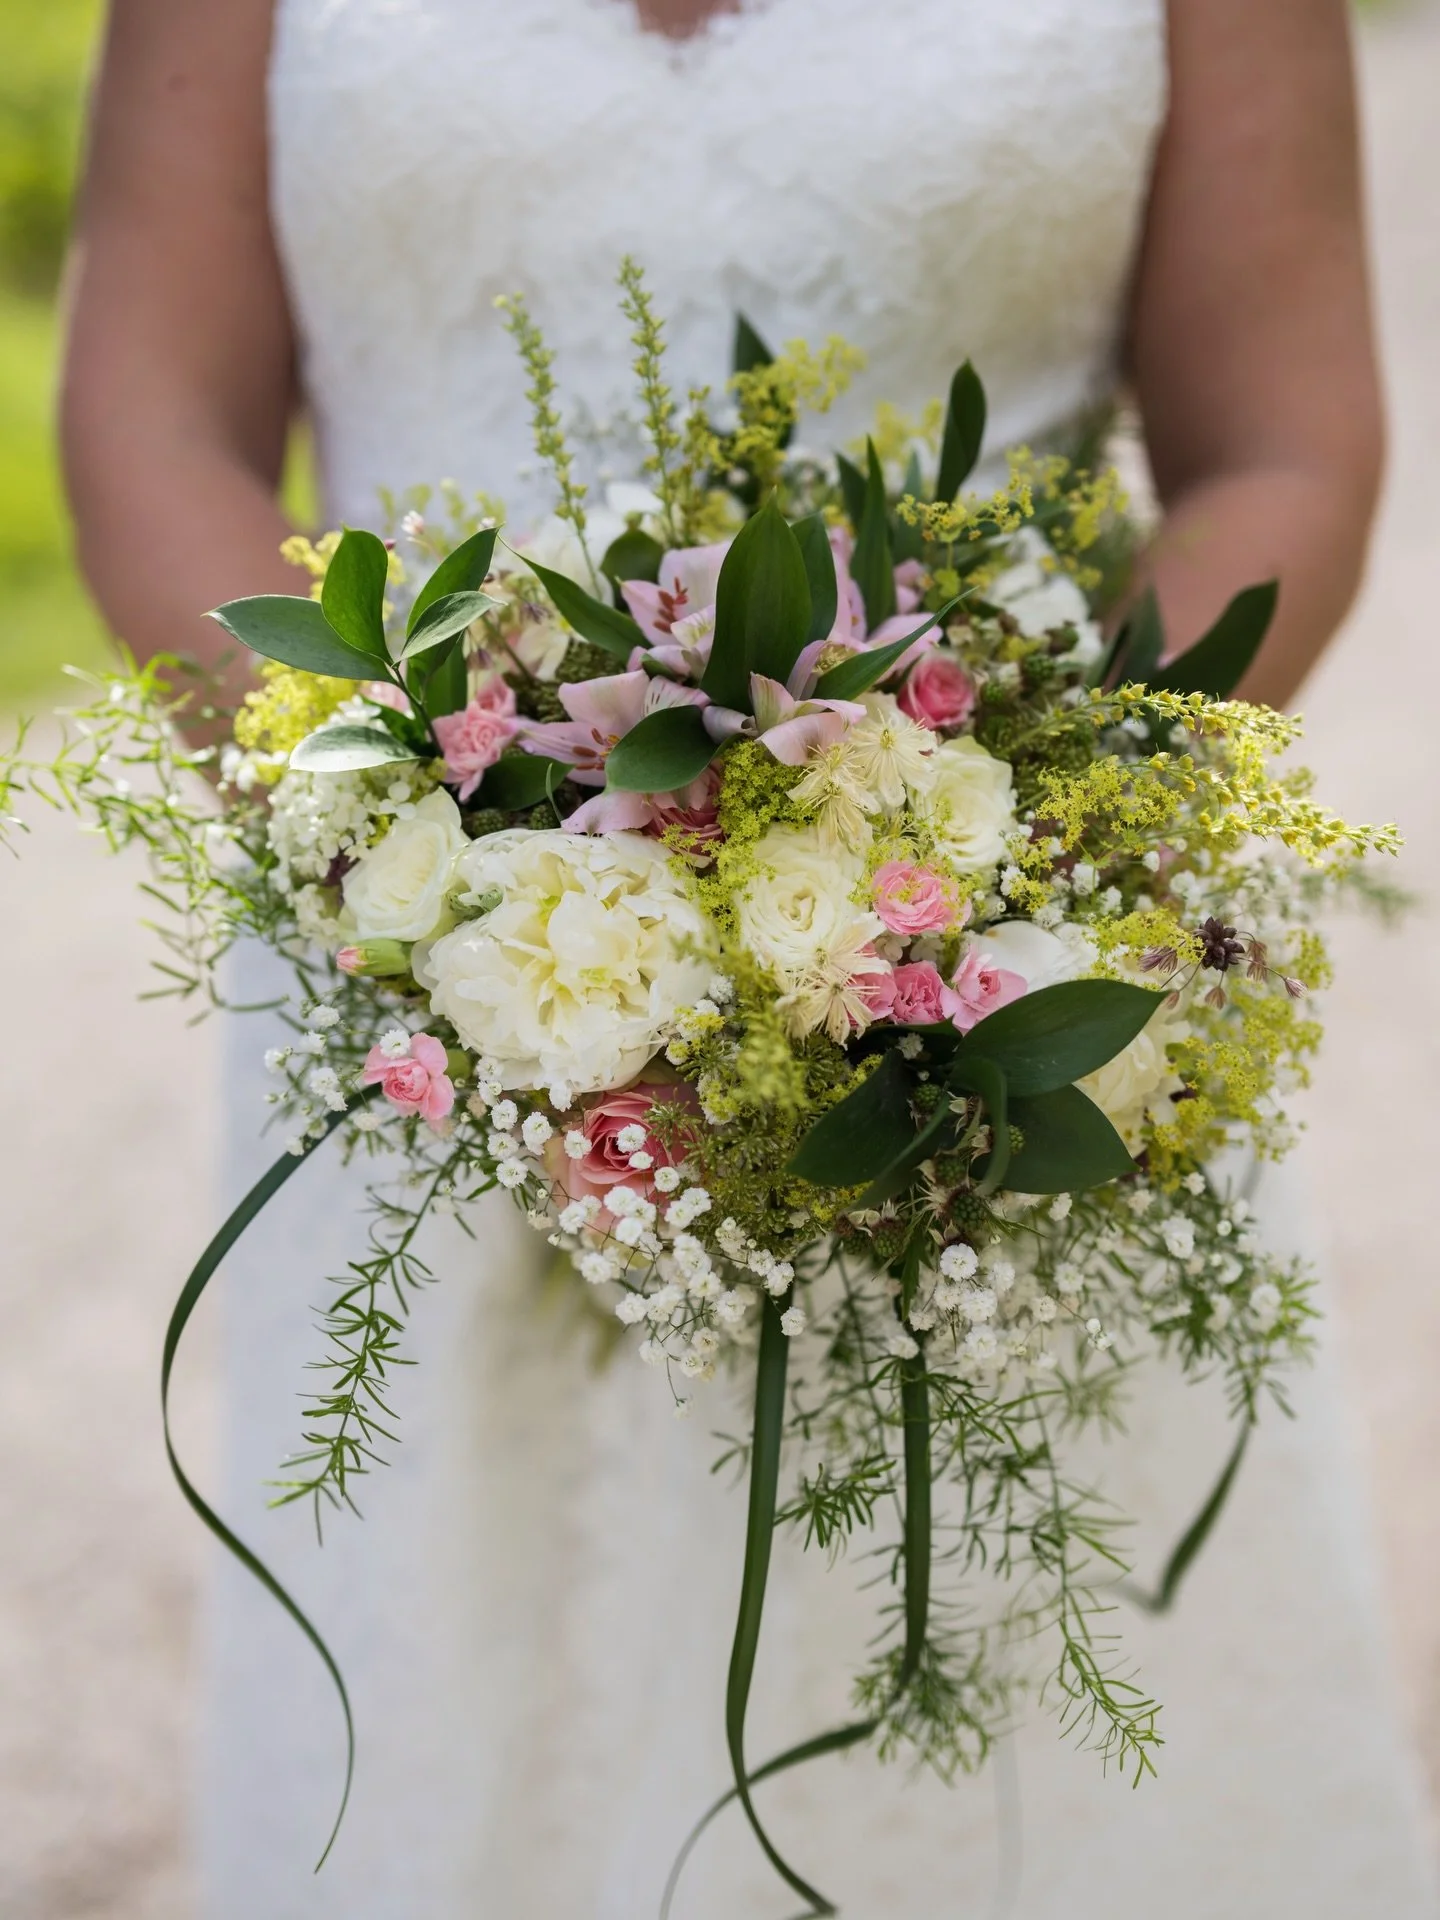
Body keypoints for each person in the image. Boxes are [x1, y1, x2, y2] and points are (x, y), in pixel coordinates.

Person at [59, 1, 1438, 1914]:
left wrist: (1004, 854)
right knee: (455, 1692)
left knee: (1013, 1701)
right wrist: (430, 858)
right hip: (432, 995)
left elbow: (1282, 446)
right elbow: (154, 410)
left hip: (973, 999)